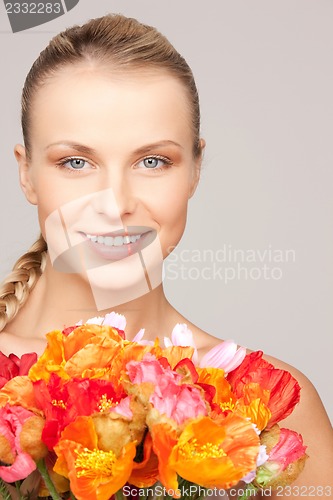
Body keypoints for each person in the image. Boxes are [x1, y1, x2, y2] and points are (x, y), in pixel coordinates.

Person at [0, 13, 332, 496]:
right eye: (76, 162)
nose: (115, 204)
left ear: (195, 169)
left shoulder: (270, 407)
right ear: (27, 173)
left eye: (152, 161)